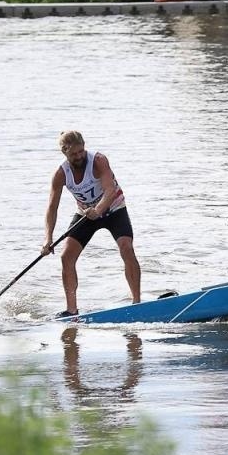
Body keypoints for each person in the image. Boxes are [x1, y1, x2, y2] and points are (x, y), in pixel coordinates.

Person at [43, 130, 141, 317]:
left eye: (81, 151)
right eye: (74, 154)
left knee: (126, 247)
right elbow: (52, 208)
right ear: (64, 152)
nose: (79, 156)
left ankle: (137, 303)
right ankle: (71, 311)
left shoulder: (98, 160)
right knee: (66, 256)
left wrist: (98, 210)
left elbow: (110, 190)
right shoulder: (60, 174)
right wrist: (48, 239)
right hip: (85, 214)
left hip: (114, 209)